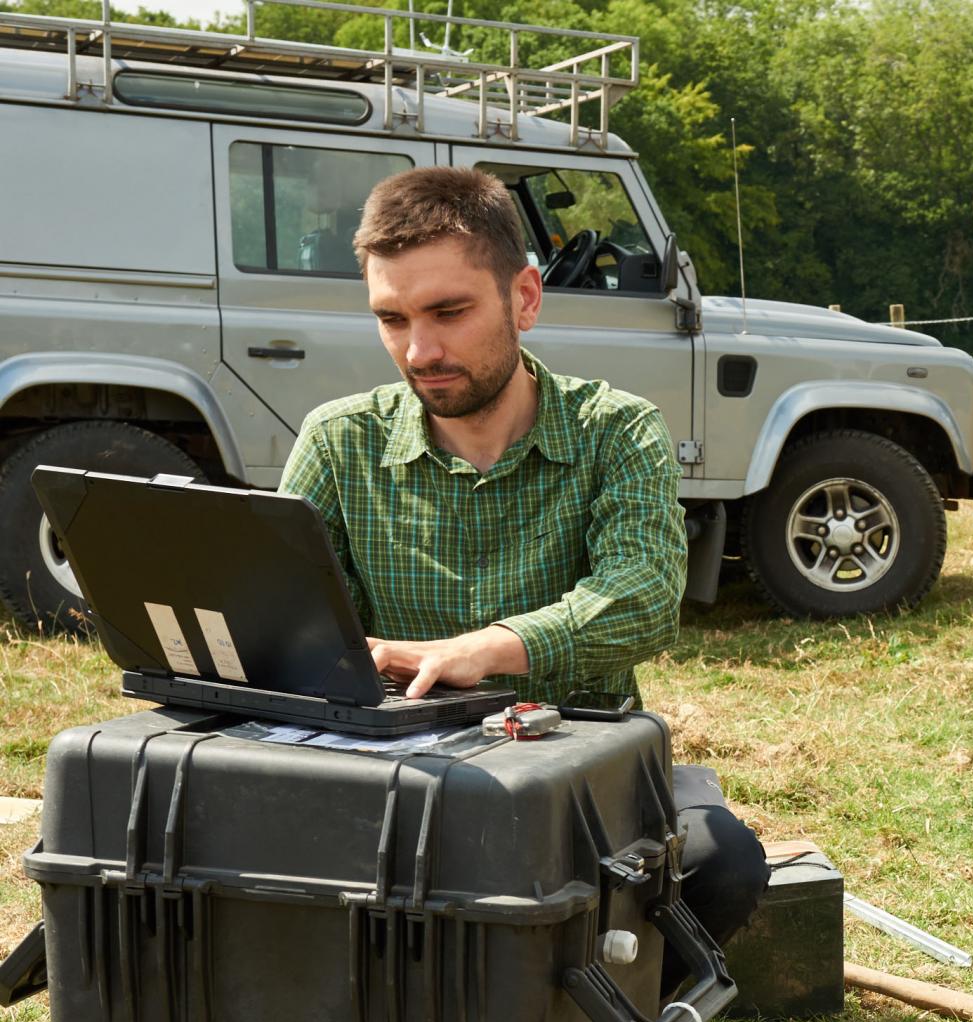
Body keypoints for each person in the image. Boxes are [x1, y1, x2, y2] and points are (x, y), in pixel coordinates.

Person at [280, 164, 765, 952]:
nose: (420, 349)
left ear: (526, 298)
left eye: (449, 311)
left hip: (578, 778)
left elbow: (641, 595)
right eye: (392, 318)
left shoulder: (618, 430)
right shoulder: (338, 441)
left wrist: (486, 650)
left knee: (721, 862)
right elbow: (282, 613)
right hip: (395, 781)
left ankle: (594, 1018)